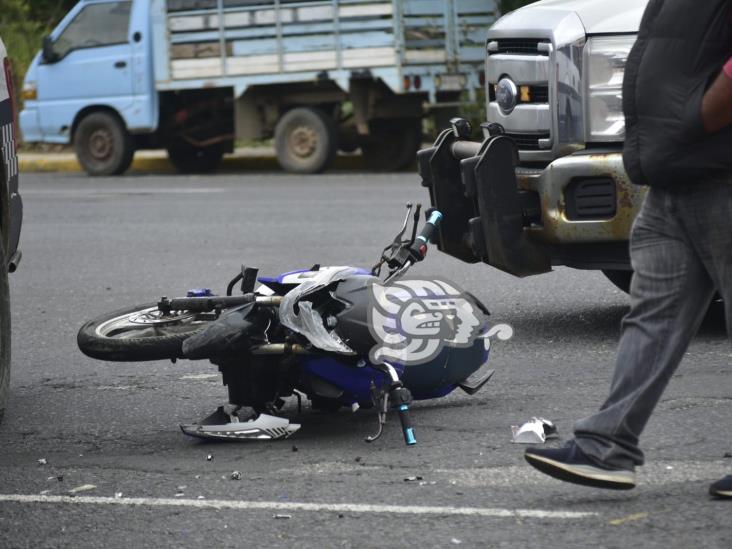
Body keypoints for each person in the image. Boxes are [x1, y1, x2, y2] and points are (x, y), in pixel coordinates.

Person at [524, 0, 732, 499]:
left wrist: (696, 119)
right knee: (653, 318)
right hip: (671, 179)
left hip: (720, 173)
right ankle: (607, 446)